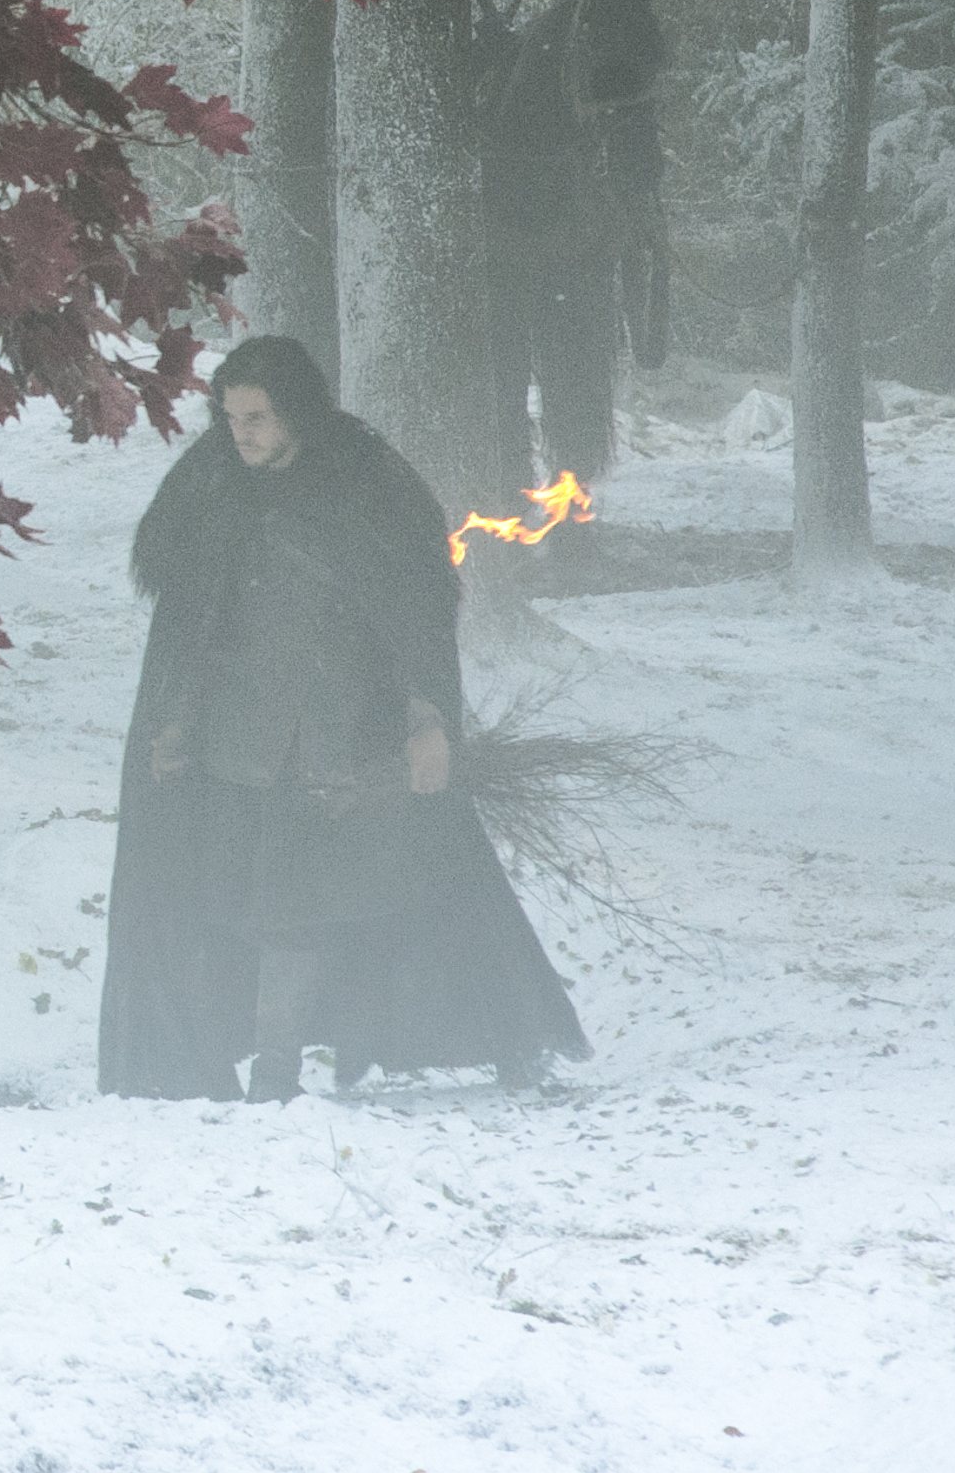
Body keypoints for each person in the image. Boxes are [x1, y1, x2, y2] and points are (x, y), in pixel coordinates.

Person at [96, 337, 591, 1101]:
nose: (242, 433)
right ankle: (248, 1067)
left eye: (258, 416)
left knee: (395, 891)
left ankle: (465, 1041)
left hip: (344, 727)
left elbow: (414, 613)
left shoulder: (365, 479)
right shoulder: (211, 482)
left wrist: (425, 718)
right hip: (239, 735)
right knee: (240, 904)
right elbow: (187, 621)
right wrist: (174, 724)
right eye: (231, 417)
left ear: (296, 411)